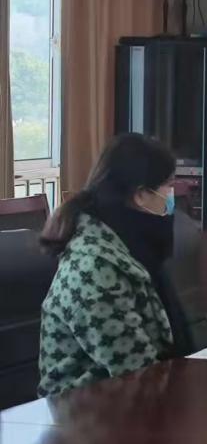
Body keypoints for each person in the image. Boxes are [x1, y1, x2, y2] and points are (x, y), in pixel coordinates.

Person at [37, 134, 194, 397]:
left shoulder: (133, 245)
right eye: (168, 185)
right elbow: (137, 371)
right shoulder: (95, 267)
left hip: (137, 400)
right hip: (86, 411)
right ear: (141, 195)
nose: (172, 195)